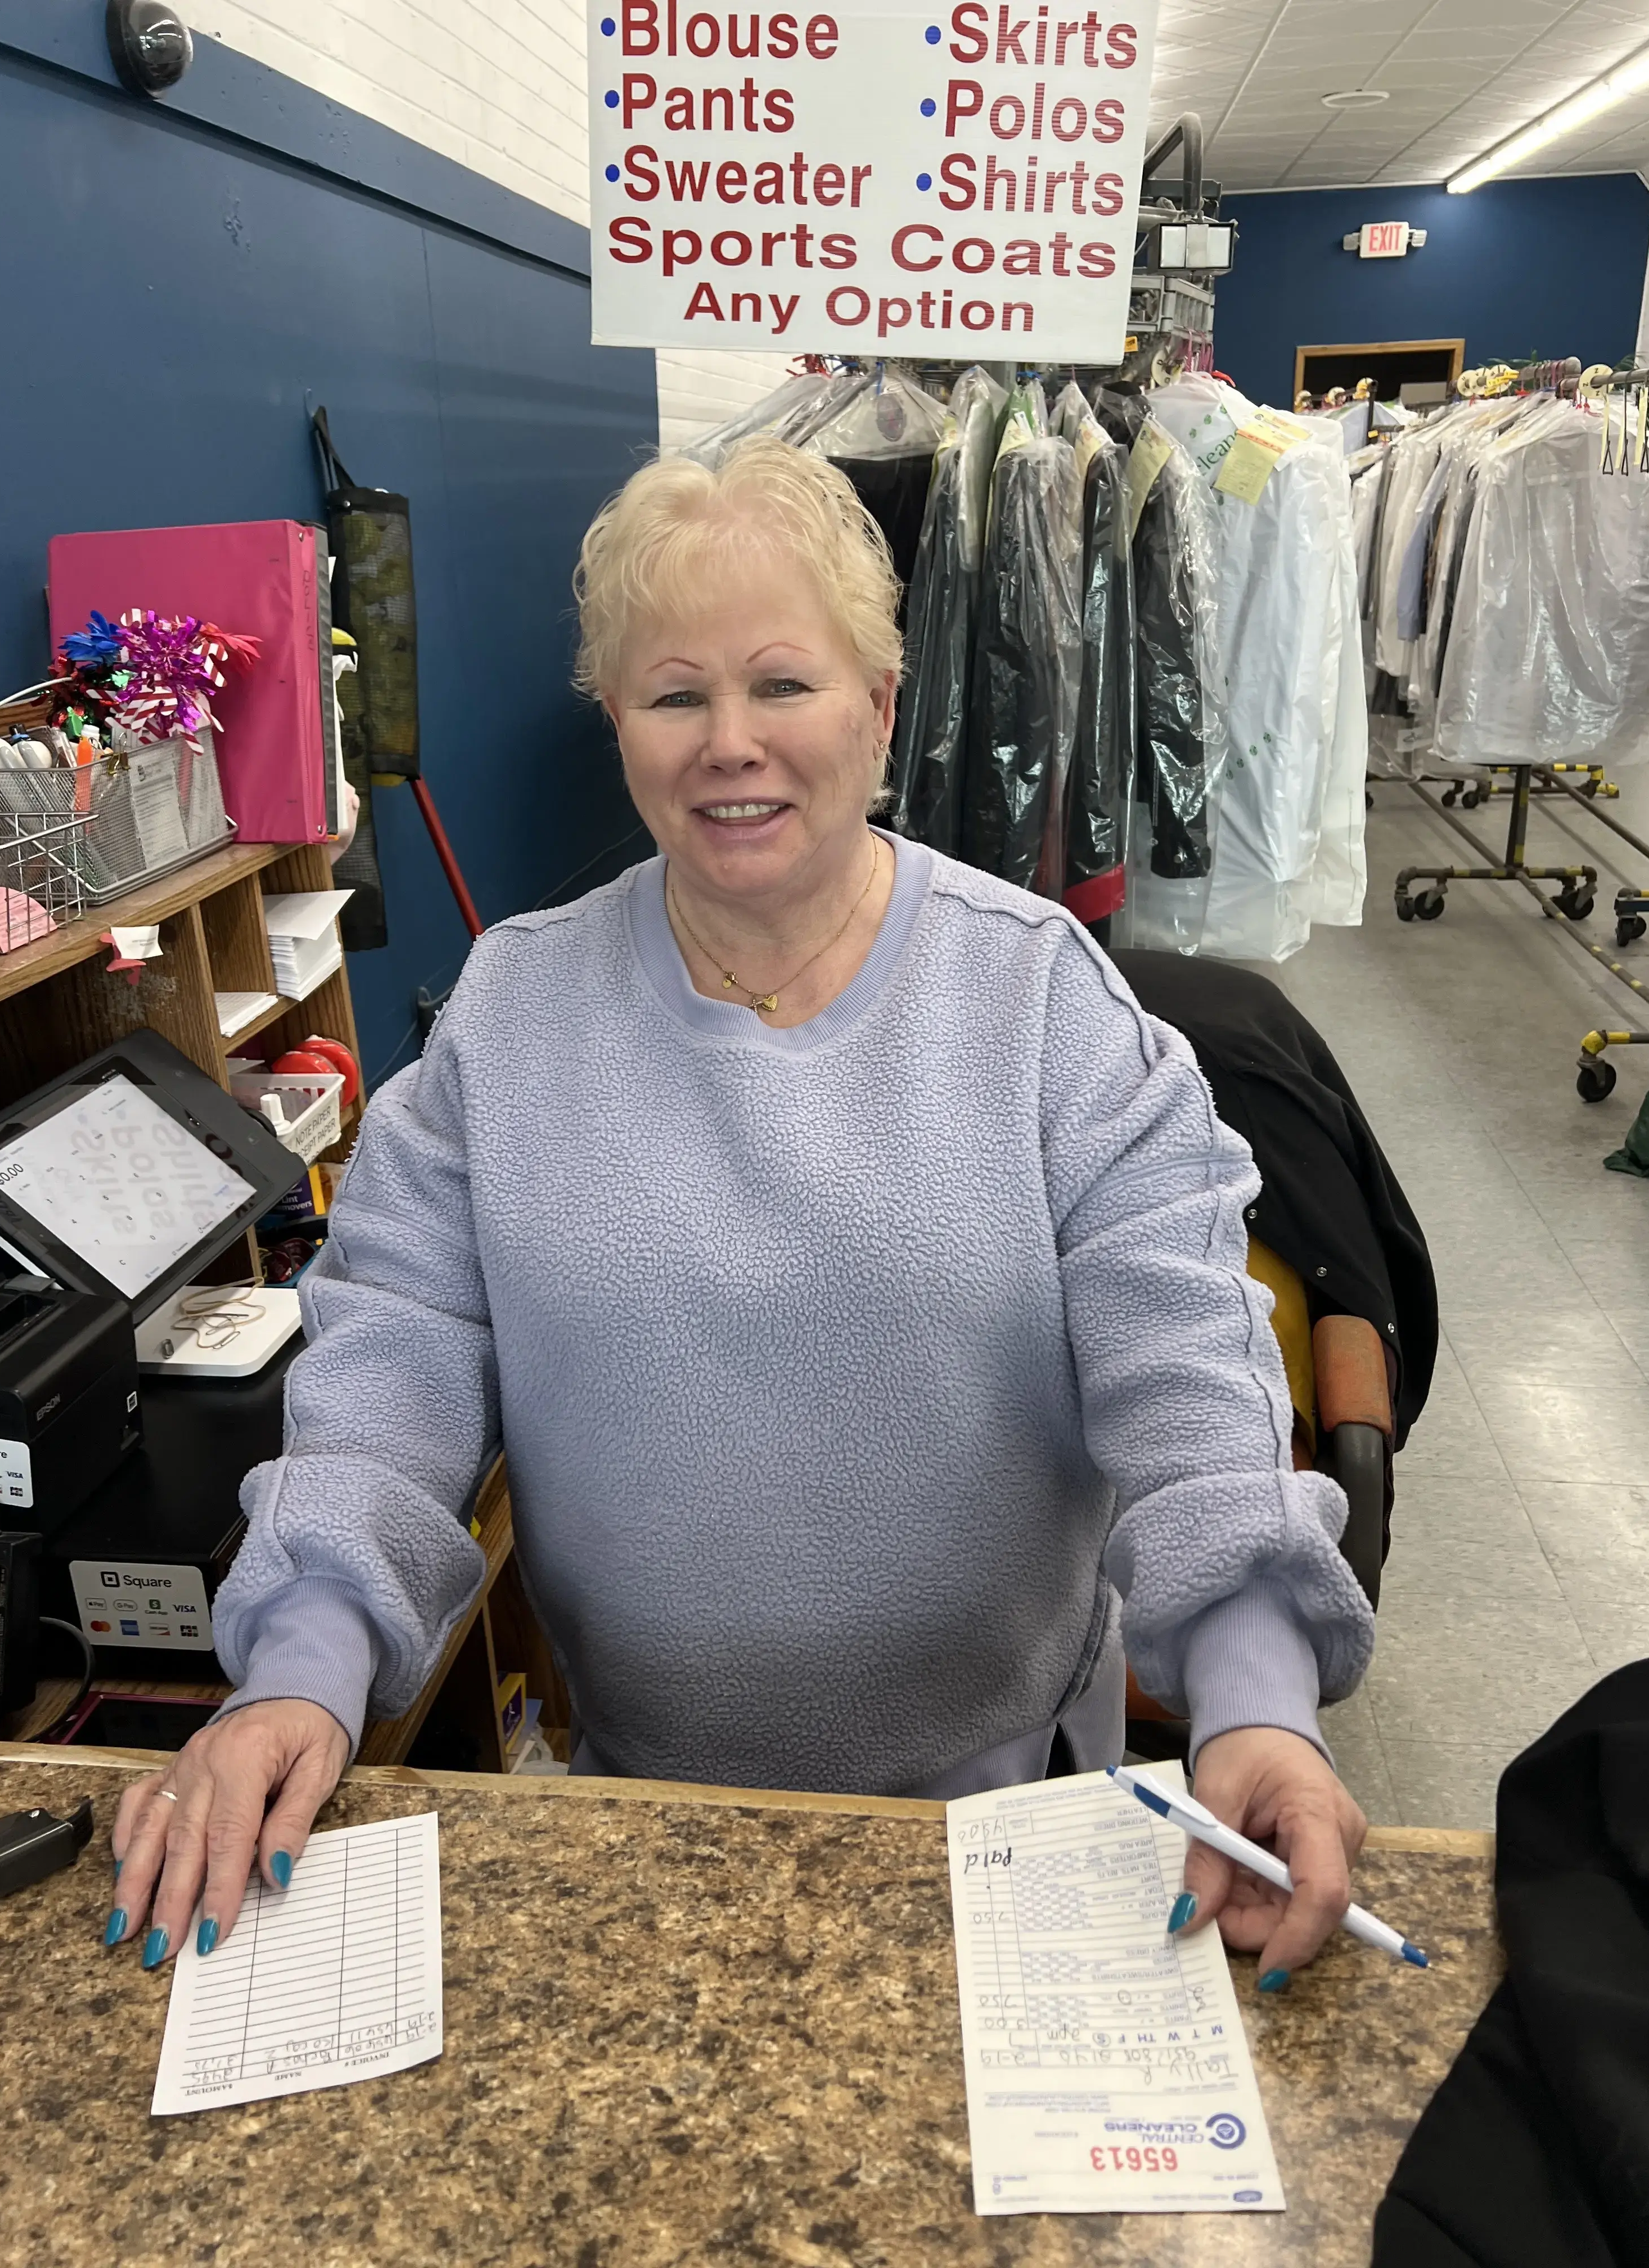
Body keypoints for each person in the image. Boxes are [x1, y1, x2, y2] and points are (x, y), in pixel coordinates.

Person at [106, 439, 1373, 1990]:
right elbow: (390, 1372)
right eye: (673, 694)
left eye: (783, 684)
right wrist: (296, 1676)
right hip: (649, 1818)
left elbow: (1189, 1381)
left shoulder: (1042, 1005)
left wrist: (1254, 1706)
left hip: (1008, 1816)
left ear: (883, 705)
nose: (730, 742)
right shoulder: (514, 1014)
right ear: (620, 729)